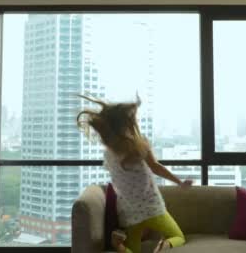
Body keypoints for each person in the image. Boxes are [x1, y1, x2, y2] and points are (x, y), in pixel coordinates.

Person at [77, 95, 191, 253]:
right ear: (128, 123)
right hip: (153, 209)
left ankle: (120, 246)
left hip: (129, 214)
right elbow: (156, 167)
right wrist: (179, 182)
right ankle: (164, 246)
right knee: (178, 237)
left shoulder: (110, 153)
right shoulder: (139, 145)